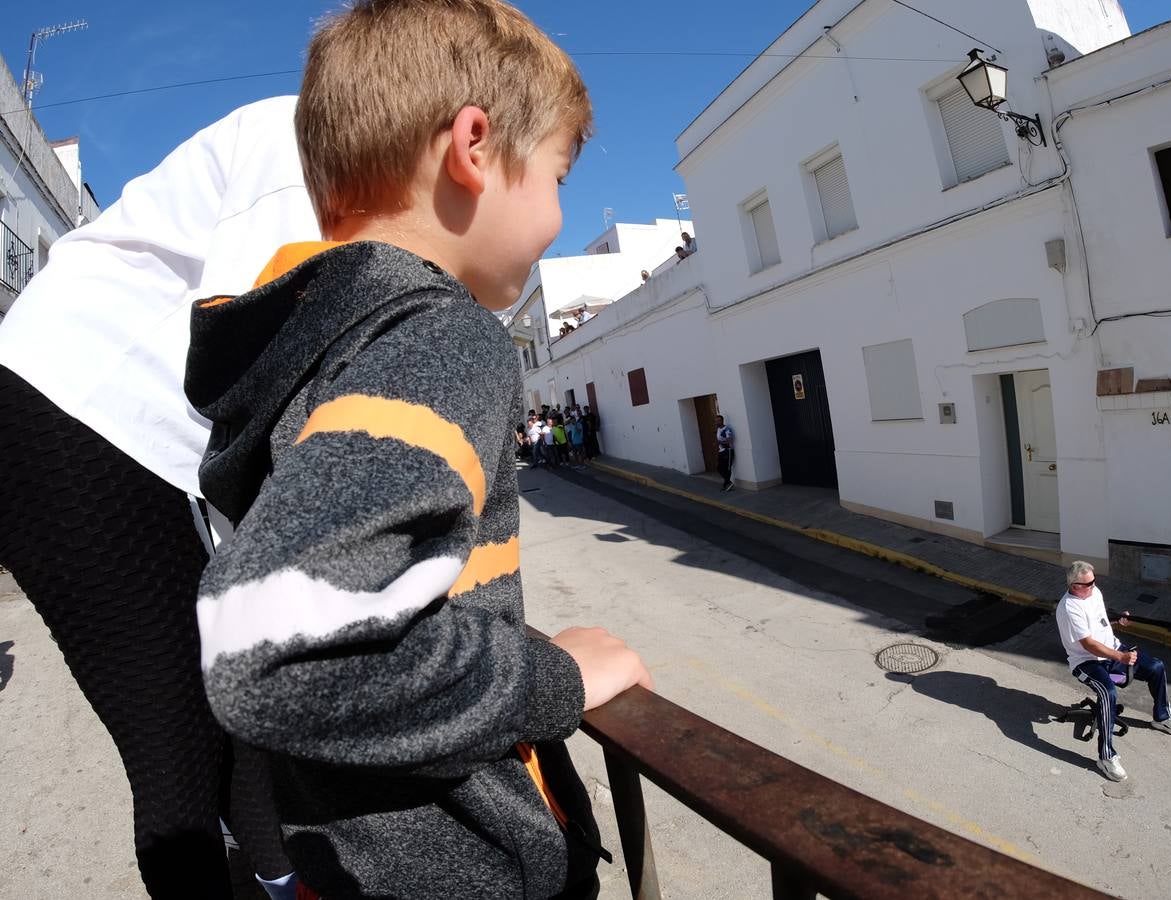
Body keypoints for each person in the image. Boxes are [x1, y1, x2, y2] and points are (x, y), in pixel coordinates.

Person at [189, 2, 652, 896]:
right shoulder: (437, 336)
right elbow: (275, 650)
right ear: (474, 148)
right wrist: (552, 680)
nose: (557, 212)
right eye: (557, 173)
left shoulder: (309, 345)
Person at [0, 97, 308, 898]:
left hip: (119, 429)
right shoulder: (313, 146)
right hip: (73, 408)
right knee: (173, 748)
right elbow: (253, 348)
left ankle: (278, 876)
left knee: (230, 701)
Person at [1056, 562, 1171, 782]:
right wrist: (1121, 658)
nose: (1094, 585)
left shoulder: (1093, 592)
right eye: (1089, 583)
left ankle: (1162, 717)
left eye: (1094, 580)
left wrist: (1116, 619)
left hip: (1112, 650)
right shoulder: (1069, 608)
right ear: (1075, 585)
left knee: (1156, 667)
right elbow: (1088, 644)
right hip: (1087, 662)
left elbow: (1099, 618)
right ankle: (1106, 757)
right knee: (1108, 692)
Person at [715, 414, 735, 491]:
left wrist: (720, 442)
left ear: (722, 421)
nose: (717, 422)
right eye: (716, 421)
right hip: (721, 451)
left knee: (727, 468)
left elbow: (729, 440)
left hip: (728, 451)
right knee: (719, 468)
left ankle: (726, 484)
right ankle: (729, 482)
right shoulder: (718, 429)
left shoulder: (727, 429)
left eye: (719, 421)